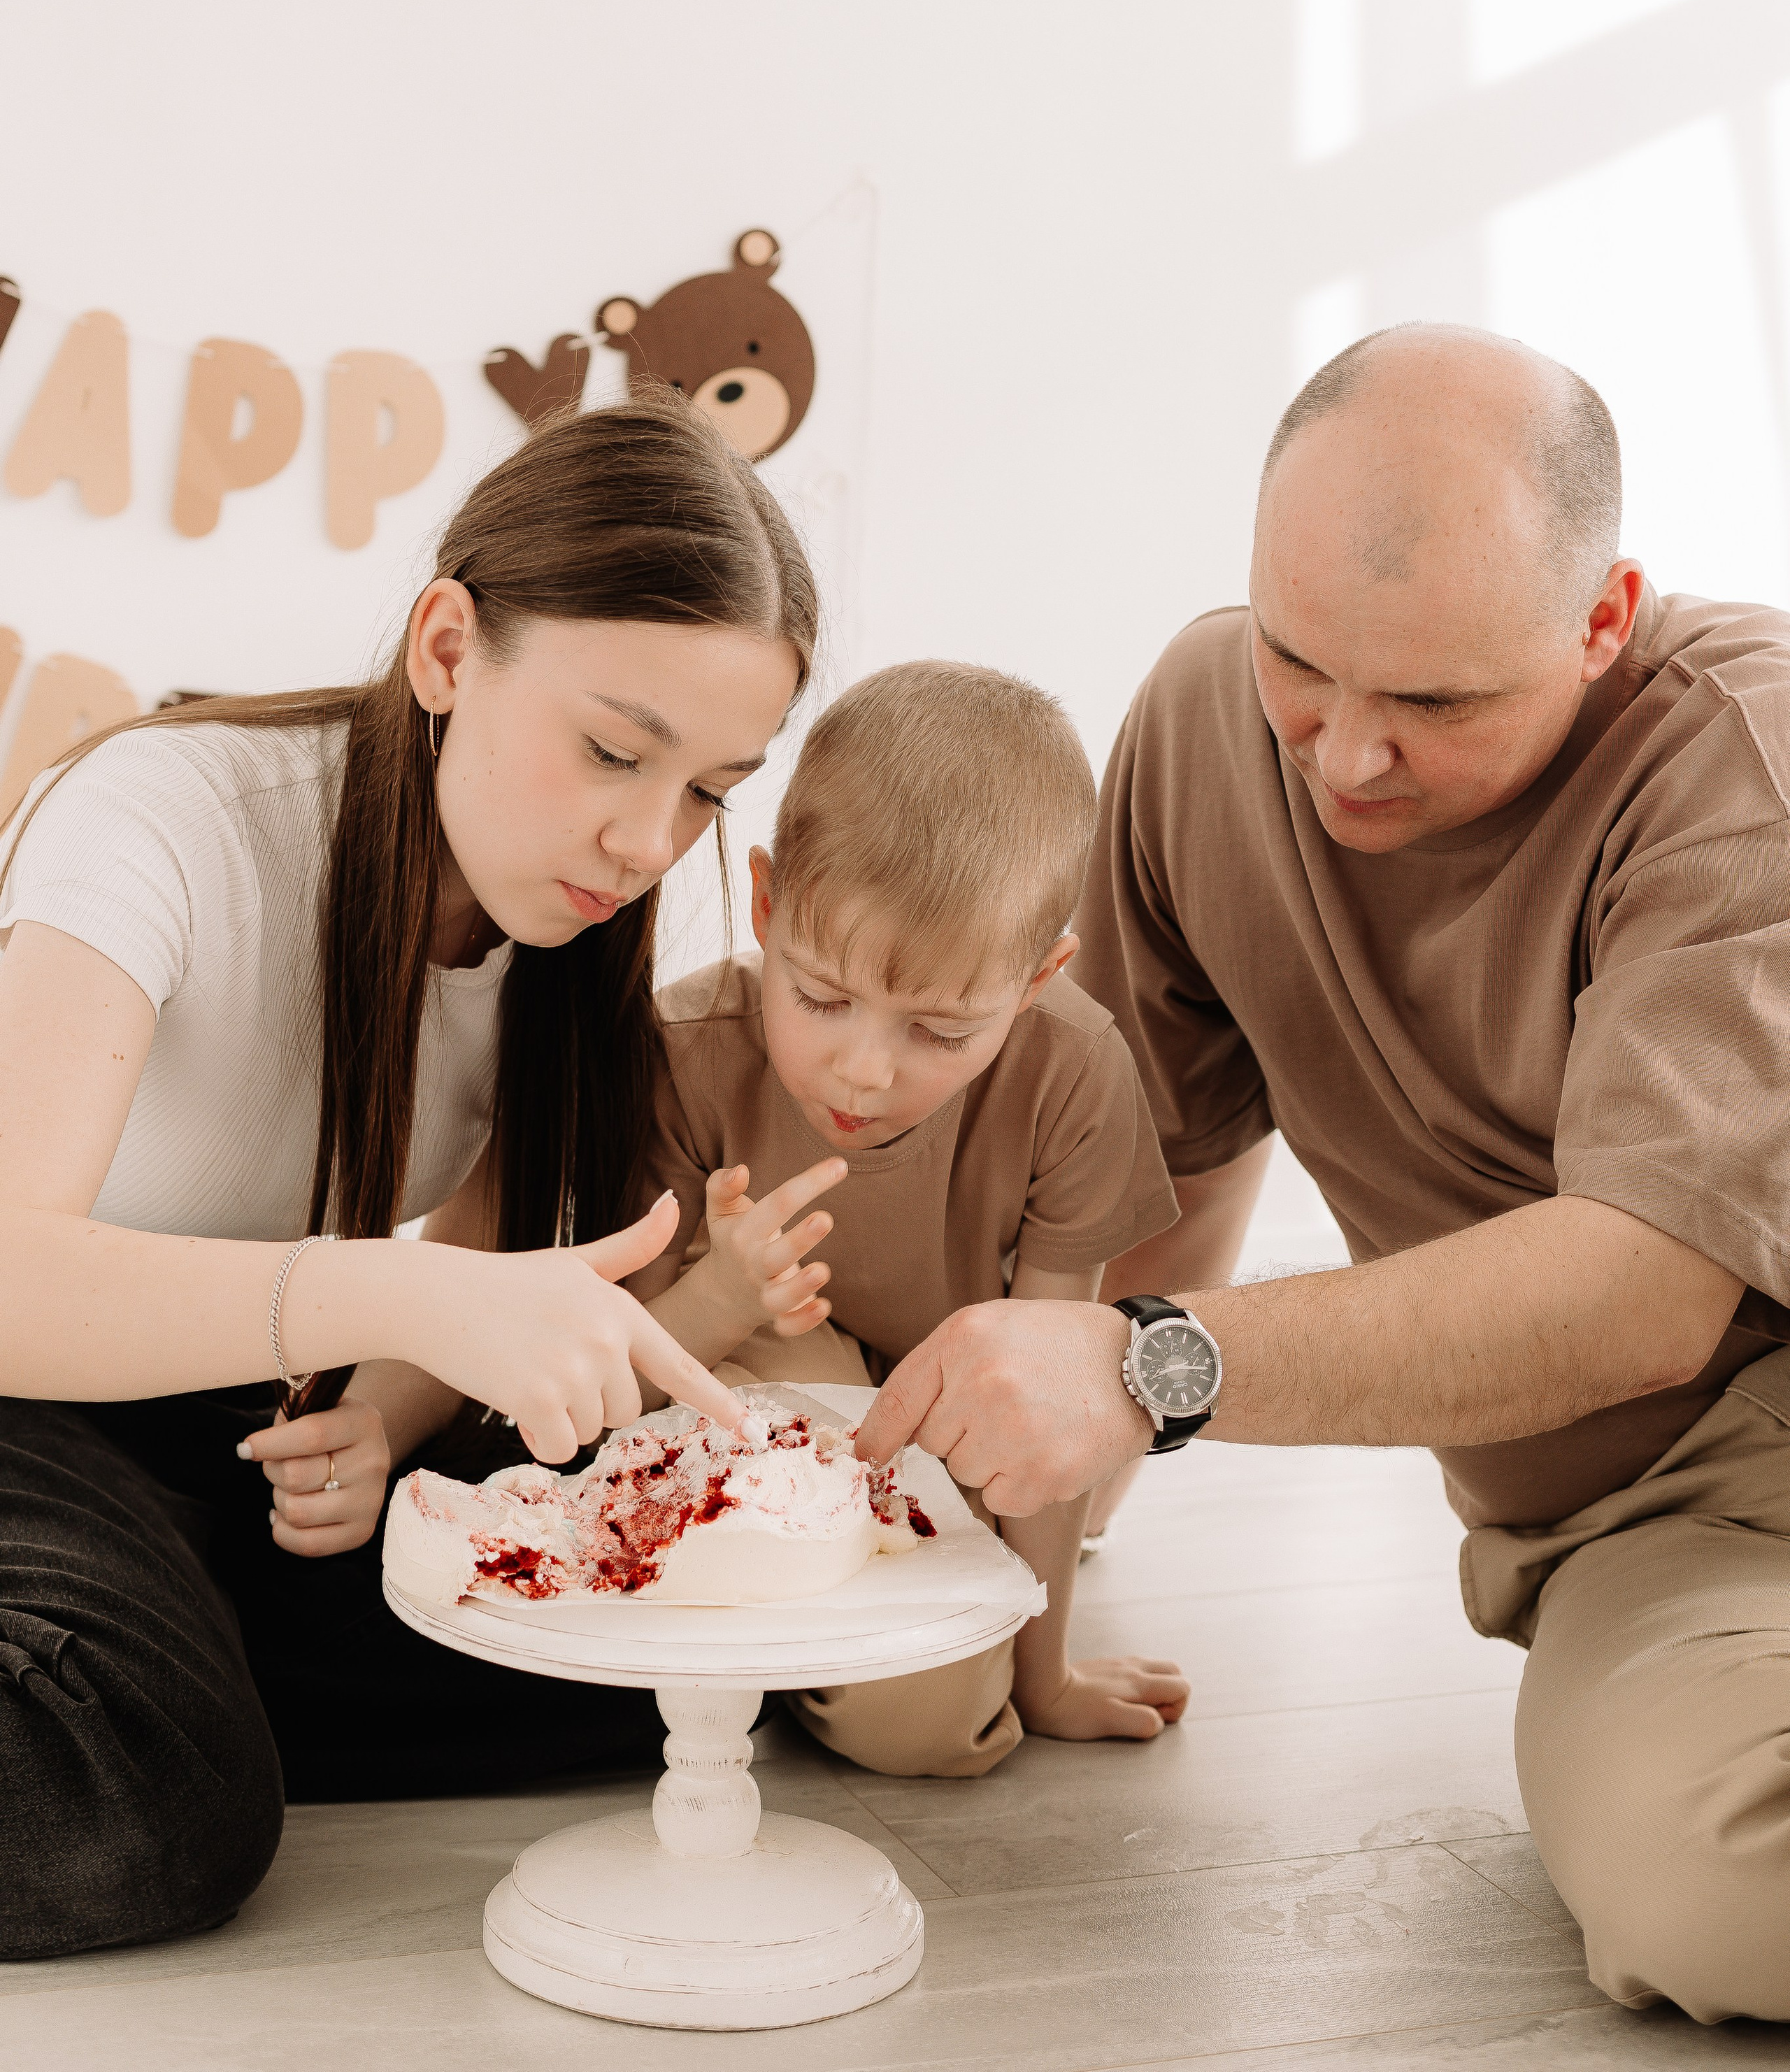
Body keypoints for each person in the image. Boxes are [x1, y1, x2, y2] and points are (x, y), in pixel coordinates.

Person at [857, 326, 1790, 2027]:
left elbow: (1642, 1296)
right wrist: (1026, 1554)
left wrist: (1149, 1374)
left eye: (1433, 701)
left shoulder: (1742, 763)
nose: (1344, 753)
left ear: (1600, 619)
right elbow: (1148, 1183)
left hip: (1733, 1400)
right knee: (1707, 1883)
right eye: (1304, 661)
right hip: (1677, 1531)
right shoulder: (1205, 726)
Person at [0, 390, 813, 1963]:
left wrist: (382, 1406)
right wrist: (406, 1298)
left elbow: (479, 1235)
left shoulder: (566, 920)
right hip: (32, 1392)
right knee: (142, 1810)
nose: (651, 838)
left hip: (232, 1403)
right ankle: (162, 1679)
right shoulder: (162, 817)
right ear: (446, 648)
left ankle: (177, 1645)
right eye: (611, 750)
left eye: (711, 789)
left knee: (660, 1648)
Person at [621, 659, 1191, 1776]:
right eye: (822, 998)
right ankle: (790, 1632)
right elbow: (626, 1389)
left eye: (942, 1031)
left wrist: (1046, 1676)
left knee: (946, 1738)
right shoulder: (686, 1054)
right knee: (911, 1704)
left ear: (1035, 983)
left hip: (952, 1401)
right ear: (769, 904)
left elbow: (1050, 1390)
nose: (866, 1071)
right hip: (742, 1375)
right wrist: (722, 1292)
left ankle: (805, 1643)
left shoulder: (1074, 1077)